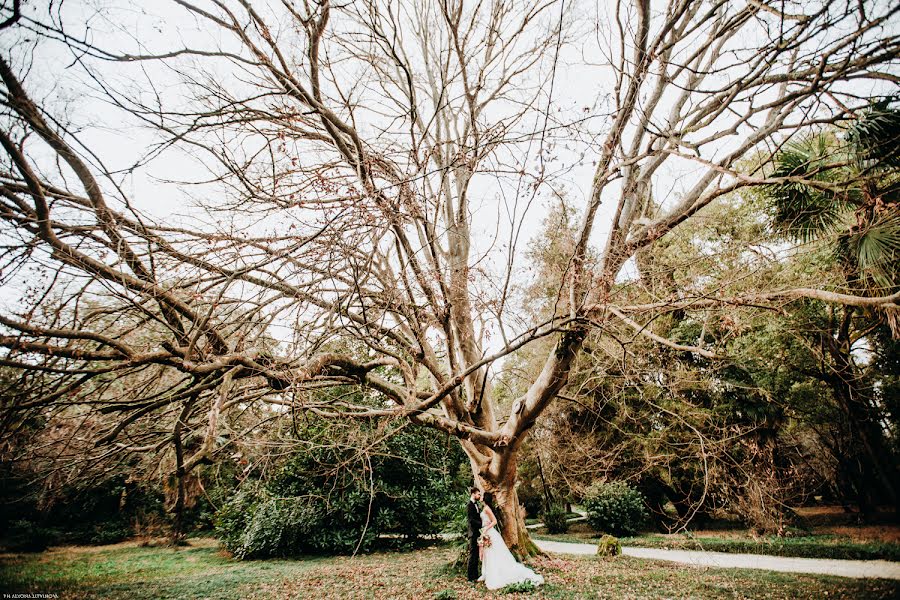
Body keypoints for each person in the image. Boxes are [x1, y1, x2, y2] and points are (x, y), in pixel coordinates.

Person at [478, 492, 544, 590]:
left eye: (482, 495)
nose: (481, 496)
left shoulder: (487, 509)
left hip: (490, 532)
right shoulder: (484, 508)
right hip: (486, 533)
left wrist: (486, 528)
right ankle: (488, 573)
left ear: (485, 498)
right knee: (489, 554)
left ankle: (496, 574)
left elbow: (494, 521)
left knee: (493, 553)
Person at [466, 487, 483, 582]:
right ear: (473, 494)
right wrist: (482, 524)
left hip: (477, 533)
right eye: (478, 494)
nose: (479, 496)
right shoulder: (469, 505)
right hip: (472, 533)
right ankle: (470, 577)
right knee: (472, 554)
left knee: (476, 554)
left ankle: (475, 575)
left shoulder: (476, 504)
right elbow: (471, 520)